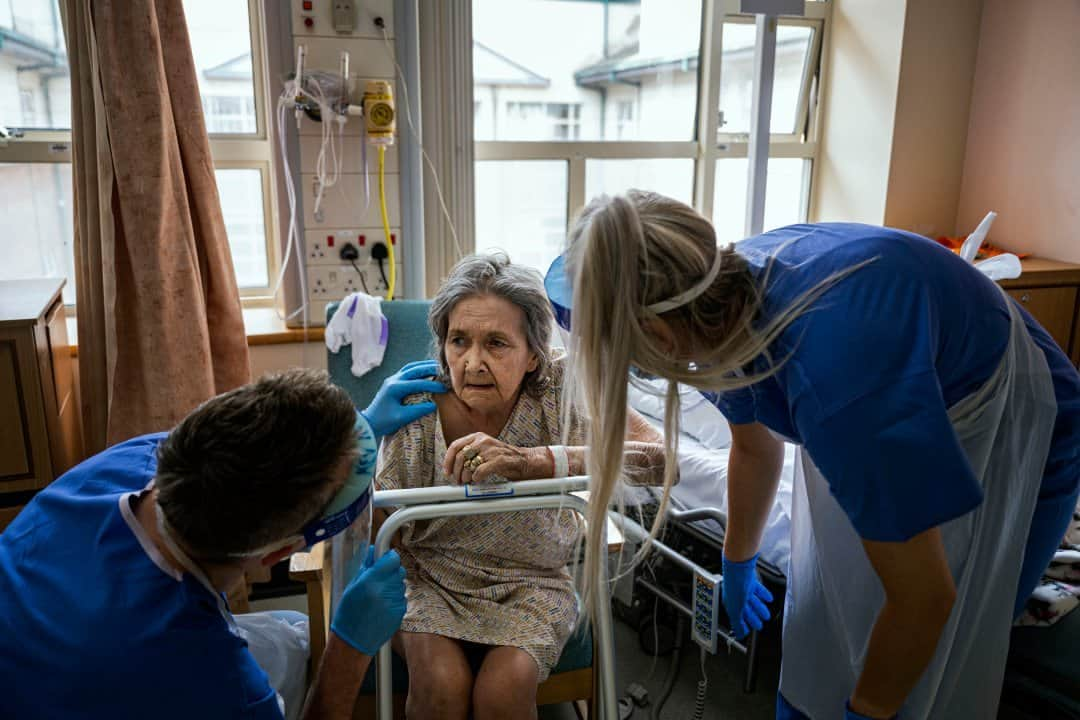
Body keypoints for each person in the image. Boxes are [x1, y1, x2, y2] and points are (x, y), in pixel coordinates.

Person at [546, 191, 1080, 720]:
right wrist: (737, 559)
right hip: (884, 385)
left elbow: (926, 600)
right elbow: (754, 447)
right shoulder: (717, 309)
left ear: (659, 333)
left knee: (956, 647)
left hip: (1016, 412)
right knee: (835, 634)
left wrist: (867, 713)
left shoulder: (837, 378)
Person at [0, 363, 446, 720]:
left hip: (39, 649)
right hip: (79, 682)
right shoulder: (217, 677)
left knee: (288, 641)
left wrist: (356, 432)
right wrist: (349, 652)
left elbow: (264, 452)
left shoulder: (134, 461)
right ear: (275, 554)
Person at [375, 253, 667, 720]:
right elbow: (377, 523)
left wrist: (536, 461)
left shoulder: (561, 387)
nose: (472, 362)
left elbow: (660, 460)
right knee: (440, 687)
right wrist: (367, 437)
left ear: (534, 354)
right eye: (459, 341)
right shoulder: (415, 402)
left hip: (531, 580)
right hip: (427, 578)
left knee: (503, 694)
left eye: (496, 343)